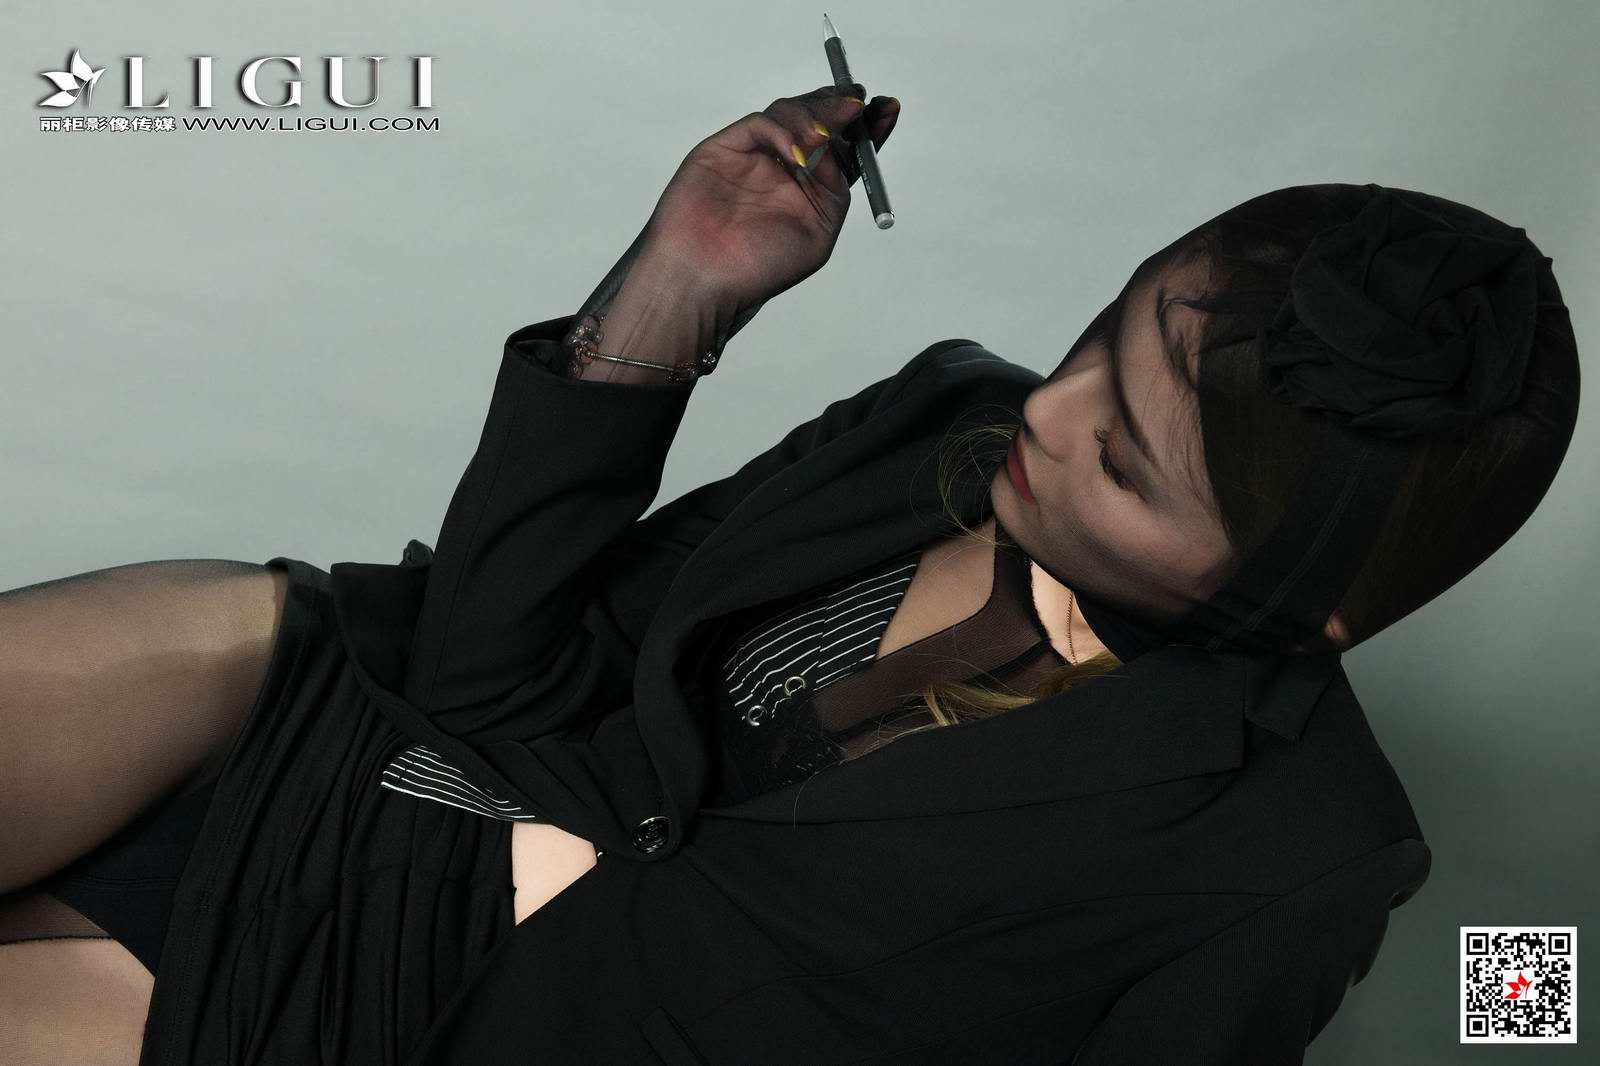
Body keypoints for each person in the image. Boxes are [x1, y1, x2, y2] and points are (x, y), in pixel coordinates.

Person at [0, 76, 1579, 1064]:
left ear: (1319, 610)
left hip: (394, 1021)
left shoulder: (1303, 858)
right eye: (1098, 343)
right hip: (356, 734)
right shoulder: (956, 415)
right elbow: (491, 666)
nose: (1047, 413)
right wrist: (673, 299)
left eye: (1122, 463)